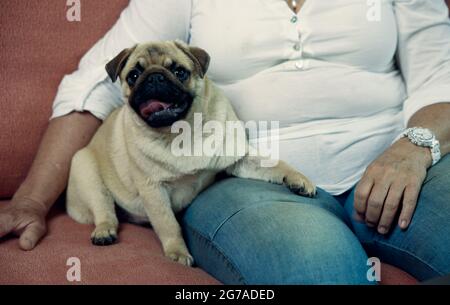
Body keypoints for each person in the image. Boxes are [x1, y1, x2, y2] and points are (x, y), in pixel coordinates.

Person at [0, 0, 449, 284]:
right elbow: (97, 85)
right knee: (318, 272)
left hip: (400, 159)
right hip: (242, 176)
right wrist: (32, 200)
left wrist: (415, 146)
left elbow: (440, 73)